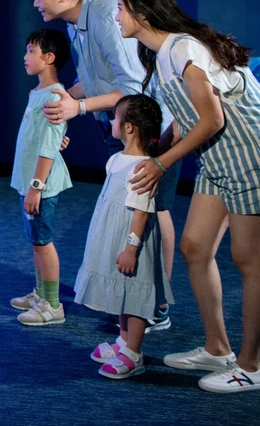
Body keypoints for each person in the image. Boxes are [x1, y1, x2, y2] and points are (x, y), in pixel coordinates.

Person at [116, 0, 260, 394]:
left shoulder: (183, 47)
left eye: (121, 9)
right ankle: (218, 349)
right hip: (219, 157)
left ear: (142, 15)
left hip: (251, 154)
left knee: (249, 260)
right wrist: (157, 149)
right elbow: (188, 114)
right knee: (195, 248)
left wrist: (162, 163)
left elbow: (214, 119)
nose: (117, 17)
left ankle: (252, 366)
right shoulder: (161, 54)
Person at [27, 0, 178, 331]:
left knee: (154, 211)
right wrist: (57, 99)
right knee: (130, 212)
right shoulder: (77, 24)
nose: (36, 4)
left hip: (147, 128)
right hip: (119, 126)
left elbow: (131, 87)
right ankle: (133, 302)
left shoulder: (107, 14)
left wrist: (76, 106)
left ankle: (155, 305)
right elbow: (92, 80)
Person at [74, 94, 173, 379]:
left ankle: (133, 352)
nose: (111, 121)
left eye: (115, 117)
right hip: (112, 234)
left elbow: (141, 212)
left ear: (129, 127)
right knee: (122, 289)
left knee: (135, 293)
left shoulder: (142, 167)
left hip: (131, 239)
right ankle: (123, 341)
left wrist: (131, 247)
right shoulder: (117, 159)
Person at [9, 30, 73, 326]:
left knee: (43, 241)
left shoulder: (55, 96)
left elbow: (48, 147)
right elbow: (45, 138)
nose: (25, 56)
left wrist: (36, 187)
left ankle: (53, 305)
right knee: (36, 241)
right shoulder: (37, 93)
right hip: (30, 180)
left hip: (40, 185)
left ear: (49, 58)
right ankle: (40, 293)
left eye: (31, 50)